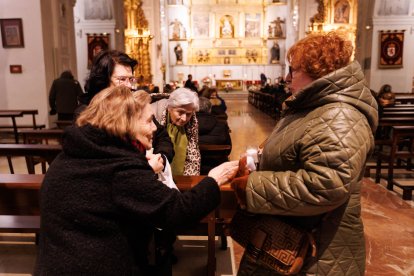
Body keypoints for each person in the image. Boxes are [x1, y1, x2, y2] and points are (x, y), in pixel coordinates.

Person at [35, 86, 239, 275]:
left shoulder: (72, 154)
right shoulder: (121, 169)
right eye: (149, 121)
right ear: (126, 122)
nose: (154, 129)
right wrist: (213, 179)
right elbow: (177, 212)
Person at [232, 31, 378, 275]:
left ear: (318, 71)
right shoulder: (315, 108)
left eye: (294, 70)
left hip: (316, 255)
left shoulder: (339, 116)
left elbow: (325, 184)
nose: (287, 78)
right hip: (294, 240)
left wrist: (252, 186)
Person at [77, 50, 174, 166]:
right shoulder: (86, 112)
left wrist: (160, 158)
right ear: (102, 81)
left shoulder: (134, 104)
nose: (129, 85)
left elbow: (163, 137)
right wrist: (144, 167)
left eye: (131, 79)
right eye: (122, 79)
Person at [151, 87, 201, 176]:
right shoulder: (153, 113)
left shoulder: (192, 120)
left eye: (188, 114)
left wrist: (189, 180)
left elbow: (193, 152)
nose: (184, 118)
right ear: (170, 108)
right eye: (180, 112)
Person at [197, 97, 232, 174]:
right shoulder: (222, 125)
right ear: (210, 109)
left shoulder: (188, 125)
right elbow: (228, 148)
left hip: (195, 166)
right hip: (218, 166)